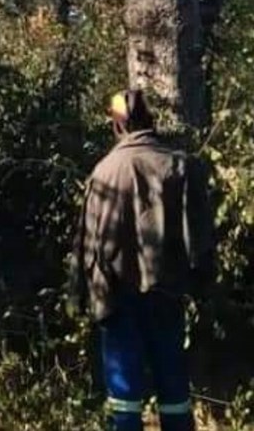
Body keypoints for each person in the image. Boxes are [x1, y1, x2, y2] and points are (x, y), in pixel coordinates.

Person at [73, 89, 215, 431]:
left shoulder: (104, 172)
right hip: (167, 293)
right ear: (150, 121)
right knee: (174, 389)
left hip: (116, 297)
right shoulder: (181, 165)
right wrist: (204, 286)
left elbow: (87, 243)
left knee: (124, 397)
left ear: (118, 125)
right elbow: (200, 238)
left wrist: (79, 294)